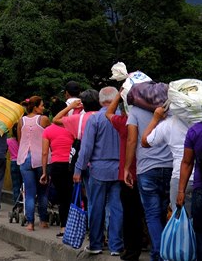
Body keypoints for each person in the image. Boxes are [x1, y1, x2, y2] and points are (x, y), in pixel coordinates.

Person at [72, 87, 123, 256]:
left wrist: (78, 169)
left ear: (101, 101)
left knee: (96, 207)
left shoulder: (95, 119)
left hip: (98, 170)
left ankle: (96, 244)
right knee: (116, 208)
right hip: (119, 170)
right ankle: (116, 246)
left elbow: (86, 148)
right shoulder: (123, 118)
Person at [124, 104, 173, 261]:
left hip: (146, 168)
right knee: (165, 211)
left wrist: (127, 168)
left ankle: (158, 253)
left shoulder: (135, 111)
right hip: (170, 166)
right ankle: (167, 252)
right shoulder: (170, 110)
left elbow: (132, 140)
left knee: (152, 213)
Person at [105, 90, 143, 261]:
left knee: (130, 214)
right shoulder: (149, 122)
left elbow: (108, 113)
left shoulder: (124, 122)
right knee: (151, 213)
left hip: (127, 175)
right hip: (146, 172)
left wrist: (119, 95)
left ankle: (131, 250)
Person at [142, 106, 193, 213]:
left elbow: (145, 142)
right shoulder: (198, 123)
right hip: (197, 176)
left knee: (179, 219)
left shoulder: (169, 124)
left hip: (179, 177)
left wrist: (156, 118)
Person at [17, 96, 51, 231]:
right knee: (43, 192)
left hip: (24, 158)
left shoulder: (21, 121)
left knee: (30, 193)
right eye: (42, 105)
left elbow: (20, 141)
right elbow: (51, 137)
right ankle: (43, 221)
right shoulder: (44, 119)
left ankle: (30, 223)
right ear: (36, 107)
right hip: (41, 159)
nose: (43, 108)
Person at [40, 117, 74, 238]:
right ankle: (77, 226)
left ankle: (64, 228)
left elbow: (44, 153)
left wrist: (44, 172)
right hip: (71, 165)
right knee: (72, 196)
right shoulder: (72, 127)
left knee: (62, 198)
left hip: (57, 166)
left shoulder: (48, 130)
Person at [176, 121, 202, 261]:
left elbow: (187, 162)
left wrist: (181, 191)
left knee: (200, 234)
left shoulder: (195, 131)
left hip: (200, 192)